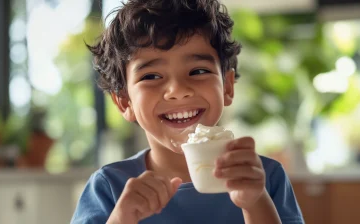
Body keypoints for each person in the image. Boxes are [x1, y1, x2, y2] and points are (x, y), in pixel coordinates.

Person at [71, 0, 304, 223]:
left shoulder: (263, 177)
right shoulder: (109, 187)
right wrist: (122, 219)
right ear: (125, 103)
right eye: (151, 76)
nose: (178, 91)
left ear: (228, 86)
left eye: (198, 71)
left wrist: (255, 202)